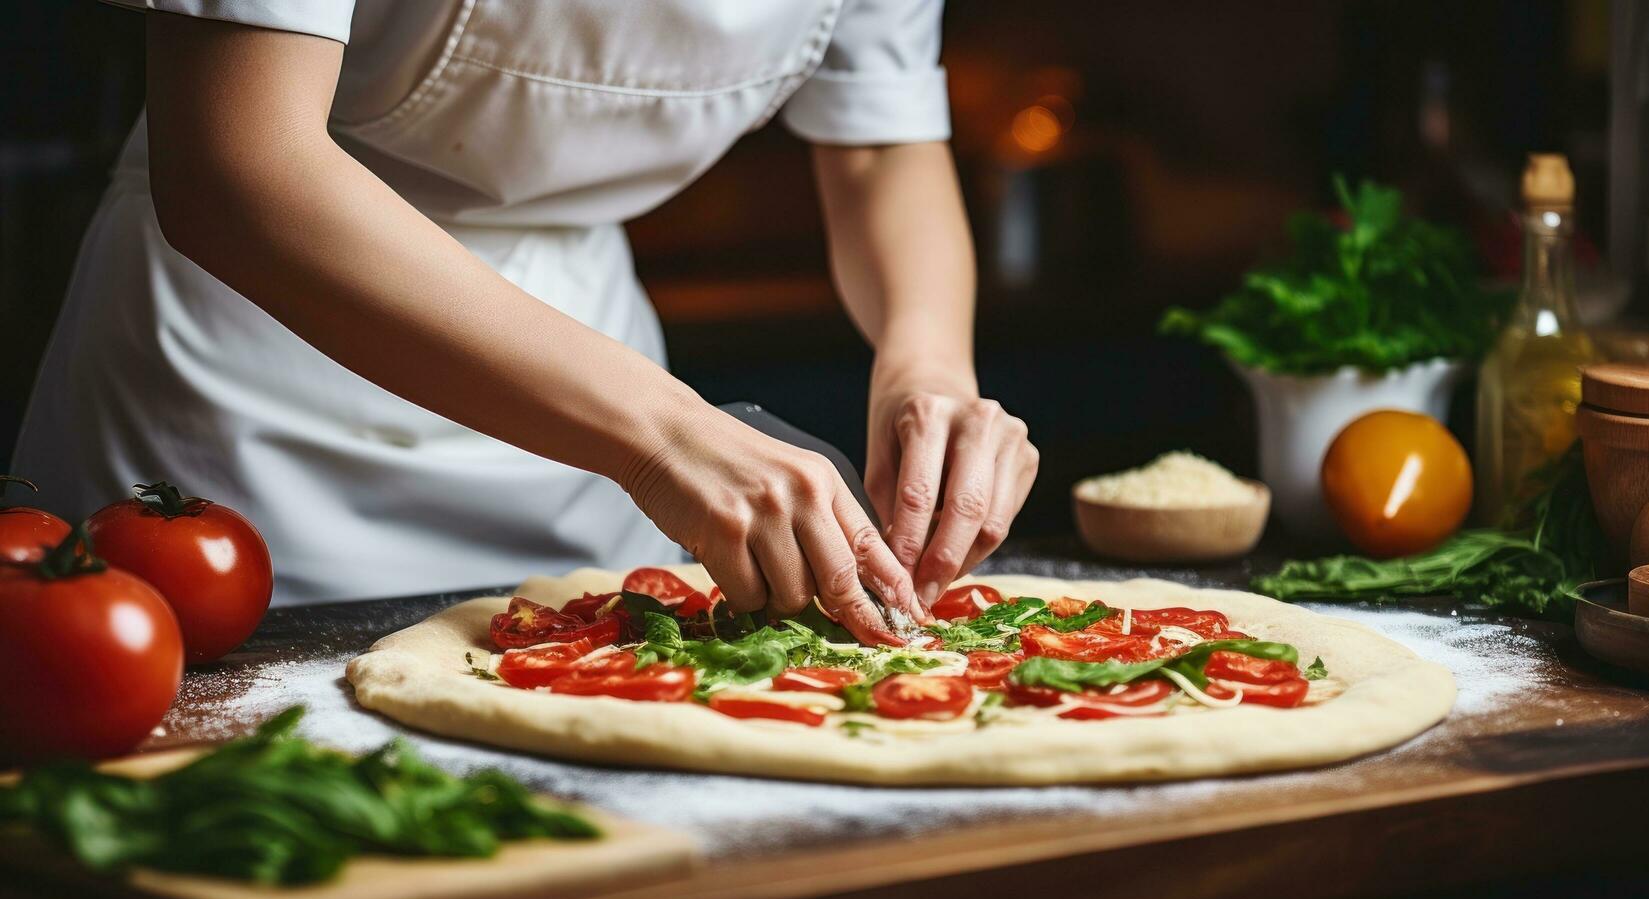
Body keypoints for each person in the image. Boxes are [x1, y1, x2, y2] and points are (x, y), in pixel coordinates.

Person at [13, 1, 1037, 643]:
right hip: (248, 375)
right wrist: (662, 433)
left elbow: (878, 142)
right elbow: (238, 164)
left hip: (586, 398)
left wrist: (928, 366)